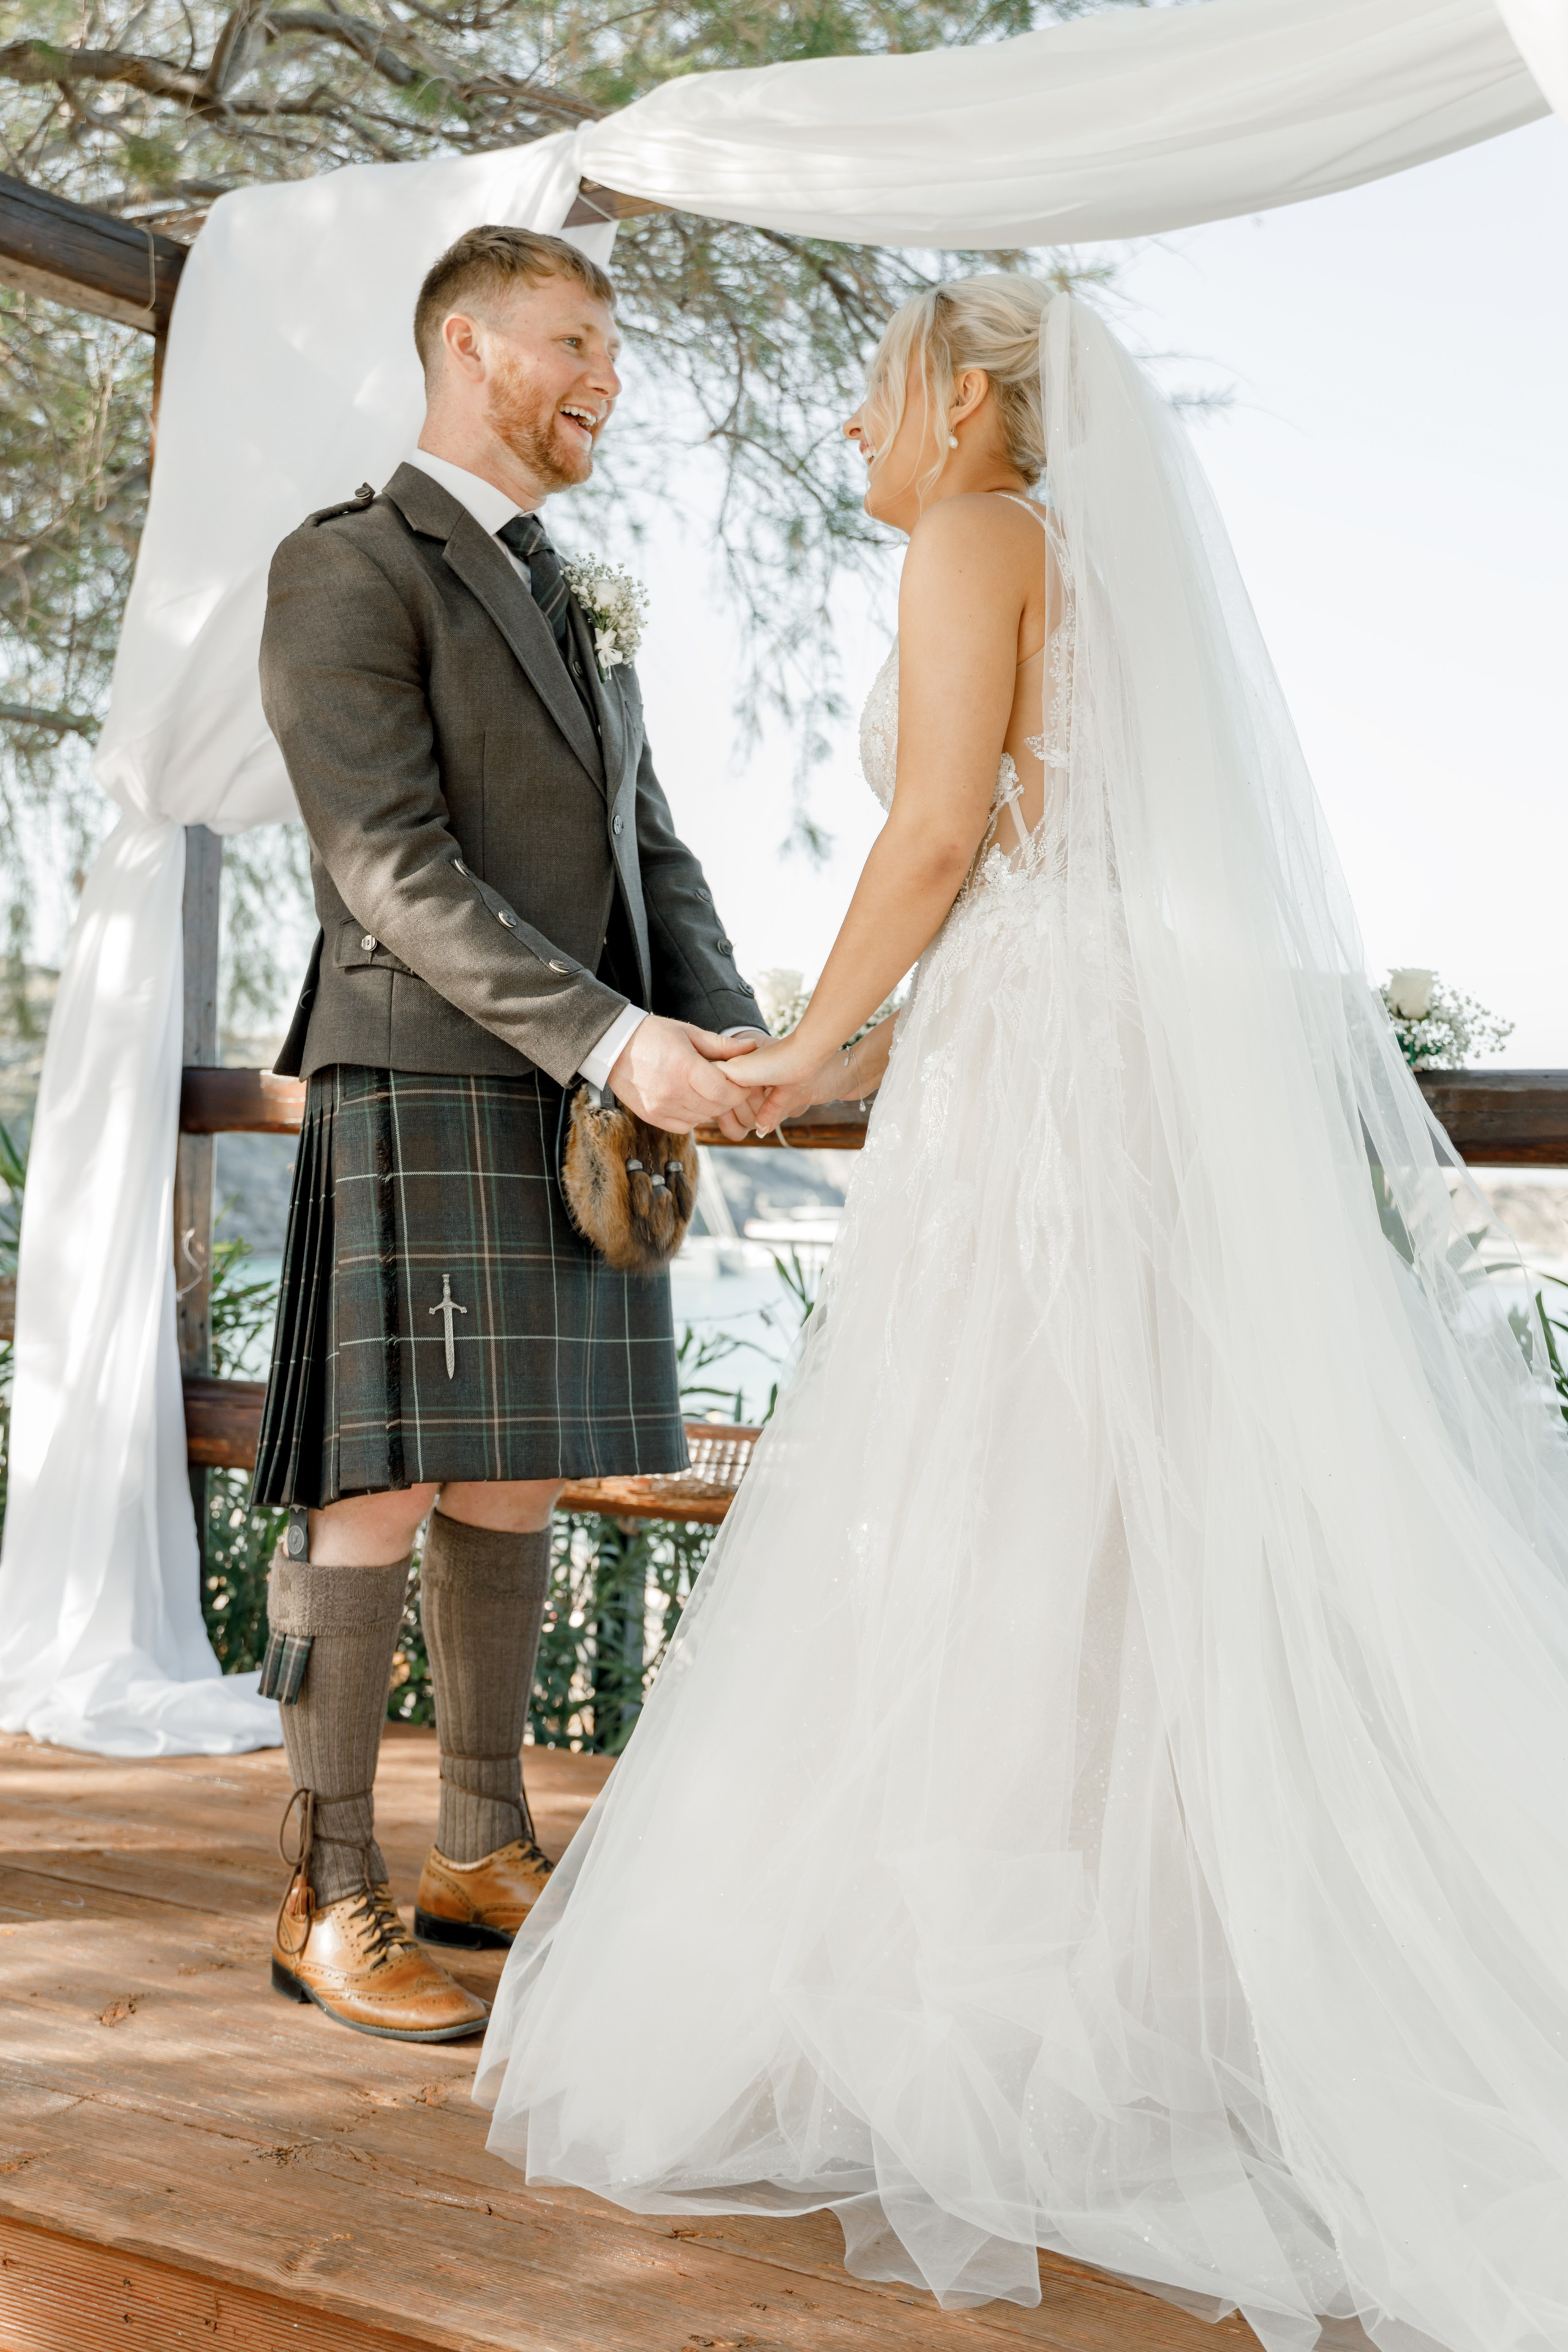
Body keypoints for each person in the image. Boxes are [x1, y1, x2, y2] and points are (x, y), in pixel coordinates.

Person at [476, 277, 1568, 2350]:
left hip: (1043, 1070)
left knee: (998, 1502)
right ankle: (1130, 1983)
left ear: (969, 401)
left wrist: (806, 1046)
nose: (855, 435)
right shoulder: (1086, 564)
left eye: (877, 395)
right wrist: (861, 1036)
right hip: (1089, 1040)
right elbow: (1031, 843)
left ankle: (1016, 2008)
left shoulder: (981, 533)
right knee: (1097, 1515)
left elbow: (936, 833)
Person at [251, 224, 767, 2041]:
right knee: (378, 1483)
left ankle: (479, 1844)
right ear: (467, 346)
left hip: (577, 1093)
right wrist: (619, 1040)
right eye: (575, 341)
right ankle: (325, 1886)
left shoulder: (573, 589)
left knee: (512, 1472)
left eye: (612, 349)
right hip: (423, 1074)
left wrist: (730, 1032)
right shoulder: (346, 566)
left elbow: (652, 846)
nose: (604, 379)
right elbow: (386, 867)